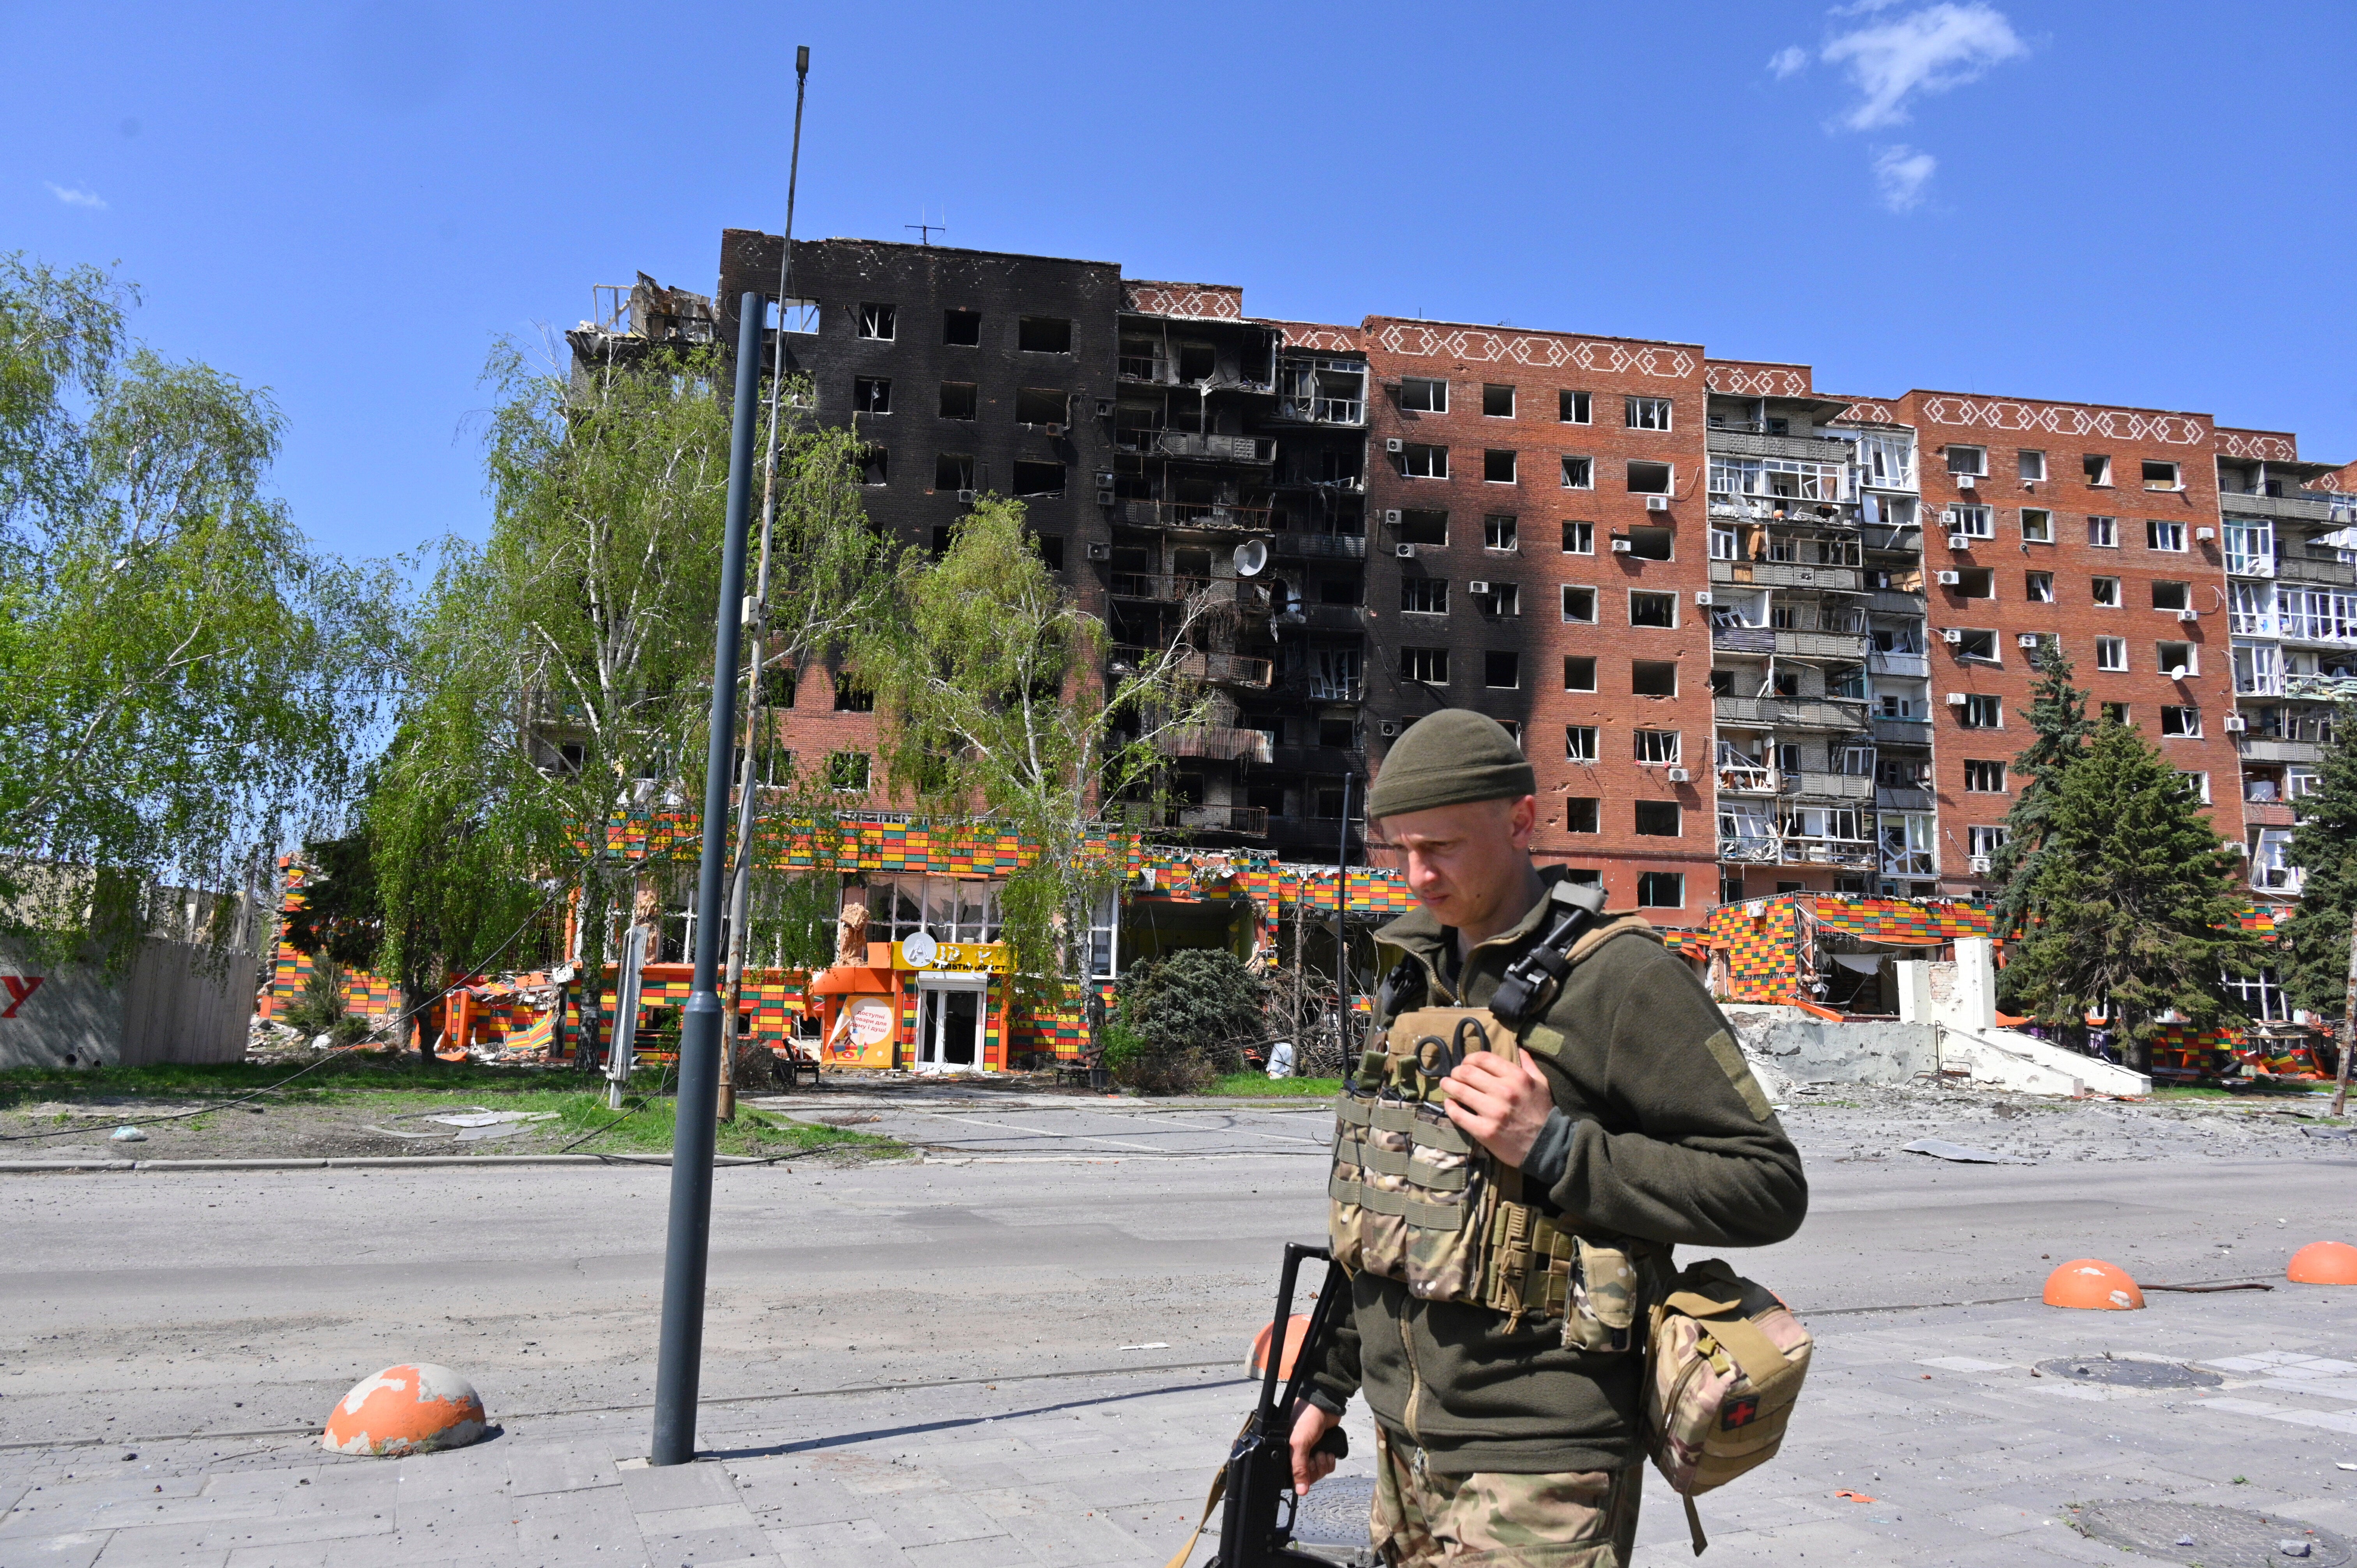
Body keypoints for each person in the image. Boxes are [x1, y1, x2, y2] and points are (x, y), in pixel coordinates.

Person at [1289, 709, 1807, 1566]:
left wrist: (1558, 1147)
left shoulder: (1624, 976)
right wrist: (1329, 1388)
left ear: (1522, 821)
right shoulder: (1414, 976)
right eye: (1401, 849)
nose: (1418, 876)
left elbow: (1767, 1184)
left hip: (1543, 1460)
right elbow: (1390, 1211)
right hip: (1403, 1449)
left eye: (1444, 847)